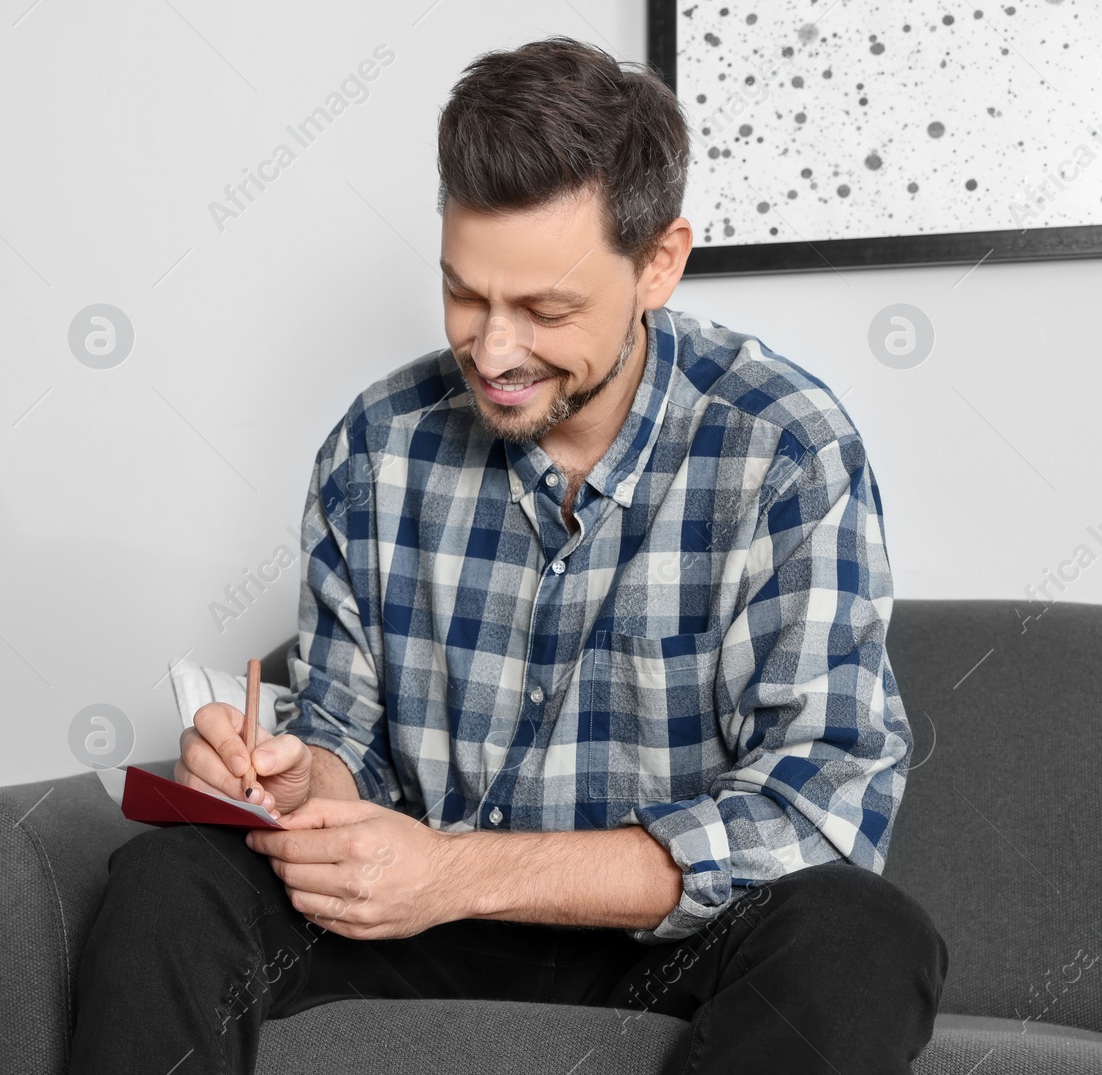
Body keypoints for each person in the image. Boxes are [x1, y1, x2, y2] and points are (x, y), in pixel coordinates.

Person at [68, 35, 947, 1075]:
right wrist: (291, 773)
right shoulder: (375, 444)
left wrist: (460, 870)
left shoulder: (784, 449)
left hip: (662, 947)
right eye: (464, 294)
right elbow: (349, 743)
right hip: (411, 931)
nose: (491, 353)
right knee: (171, 876)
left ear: (658, 263)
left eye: (545, 309)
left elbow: (816, 814)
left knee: (863, 934)